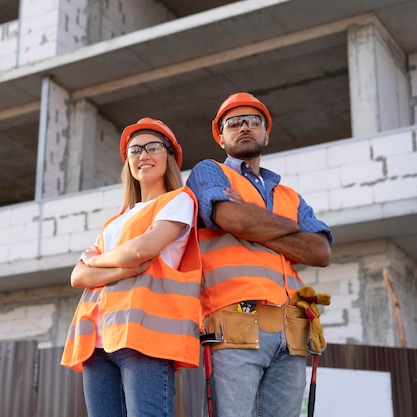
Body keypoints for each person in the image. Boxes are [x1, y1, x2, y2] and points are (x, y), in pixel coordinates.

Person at [186, 92, 333, 417]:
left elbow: (320, 251)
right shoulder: (209, 172)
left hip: (291, 332)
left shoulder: (289, 195)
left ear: (267, 132)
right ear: (220, 136)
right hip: (234, 326)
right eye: (234, 123)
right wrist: (289, 232)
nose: (245, 127)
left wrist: (256, 226)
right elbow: (232, 219)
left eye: (254, 121)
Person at [61, 117, 203, 417]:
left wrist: (96, 260)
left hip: (142, 336)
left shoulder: (179, 201)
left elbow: (142, 249)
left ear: (170, 156)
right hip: (96, 342)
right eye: (135, 150)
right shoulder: (114, 221)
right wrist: (121, 270)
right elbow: (78, 276)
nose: (143, 155)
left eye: (153, 147)